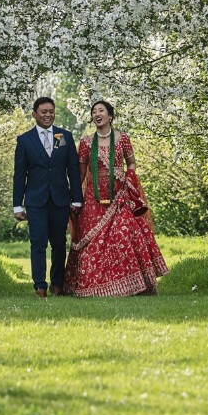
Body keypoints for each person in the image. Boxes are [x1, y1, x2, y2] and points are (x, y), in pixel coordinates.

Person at [63, 100, 168, 296]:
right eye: (94, 111)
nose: (97, 114)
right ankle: (92, 288)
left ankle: (131, 286)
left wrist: (129, 177)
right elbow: (81, 173)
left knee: (125, 235)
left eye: (101, 110)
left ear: (110, 115)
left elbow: (132, 163)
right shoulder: (86, 143)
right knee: (93, 243)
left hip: (120, 197)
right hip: (94, 199)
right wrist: (74, 197)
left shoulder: (123, 138)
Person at [12, 96, 83, 297]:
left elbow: (73, 170)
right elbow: (19, 174)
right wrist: (17, 205)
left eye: (51, 111)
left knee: (59, 243)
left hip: (60, 200)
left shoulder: (63, 136)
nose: (48, 115)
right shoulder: (25, 140)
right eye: (44, 112)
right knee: (38, 243)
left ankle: (57, 283)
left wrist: (76, 199)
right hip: (35, 201)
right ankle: (40, 286)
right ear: (35, 114)